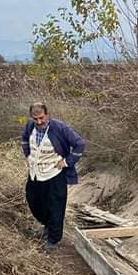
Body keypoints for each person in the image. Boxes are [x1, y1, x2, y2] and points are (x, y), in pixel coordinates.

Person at [21, 102, 85, 252]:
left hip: (54, 173)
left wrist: (67, 161)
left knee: (56, 206)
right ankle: (47, 225)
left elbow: (80, 144)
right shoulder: (30, 126)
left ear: (47, 115)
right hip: (35, 173)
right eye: (35, 118)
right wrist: (28, 155)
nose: (39, 122)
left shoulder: (59, 128)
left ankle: (53, 239)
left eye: (41, 118)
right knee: (34, 201)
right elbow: (24, 139)